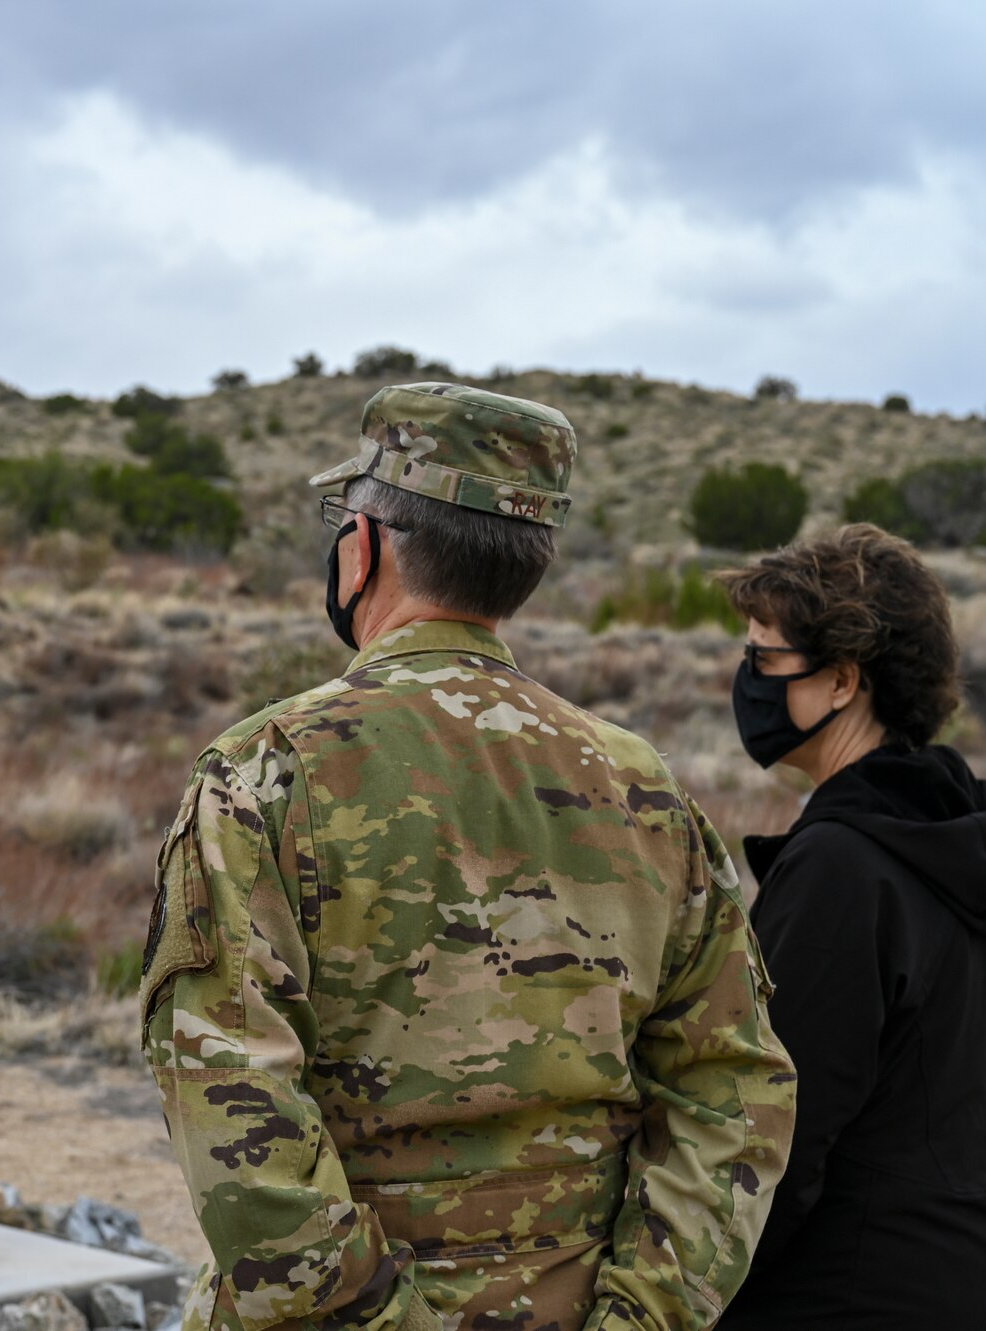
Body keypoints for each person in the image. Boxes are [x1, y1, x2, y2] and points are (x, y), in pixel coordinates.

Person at [142, 381, 797, 1331]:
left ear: (361, 548)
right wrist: (642, 1316)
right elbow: (732, 1085)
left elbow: (231, 1098)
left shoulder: (267, 773)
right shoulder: (641, 786)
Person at [714, 524, 986, 1330]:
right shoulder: (964, 839)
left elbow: (780, 1140)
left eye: (764, 657)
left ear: (842, 680)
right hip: (981, 1275)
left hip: (853, 1292)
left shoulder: (841, 865)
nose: (745, 680)